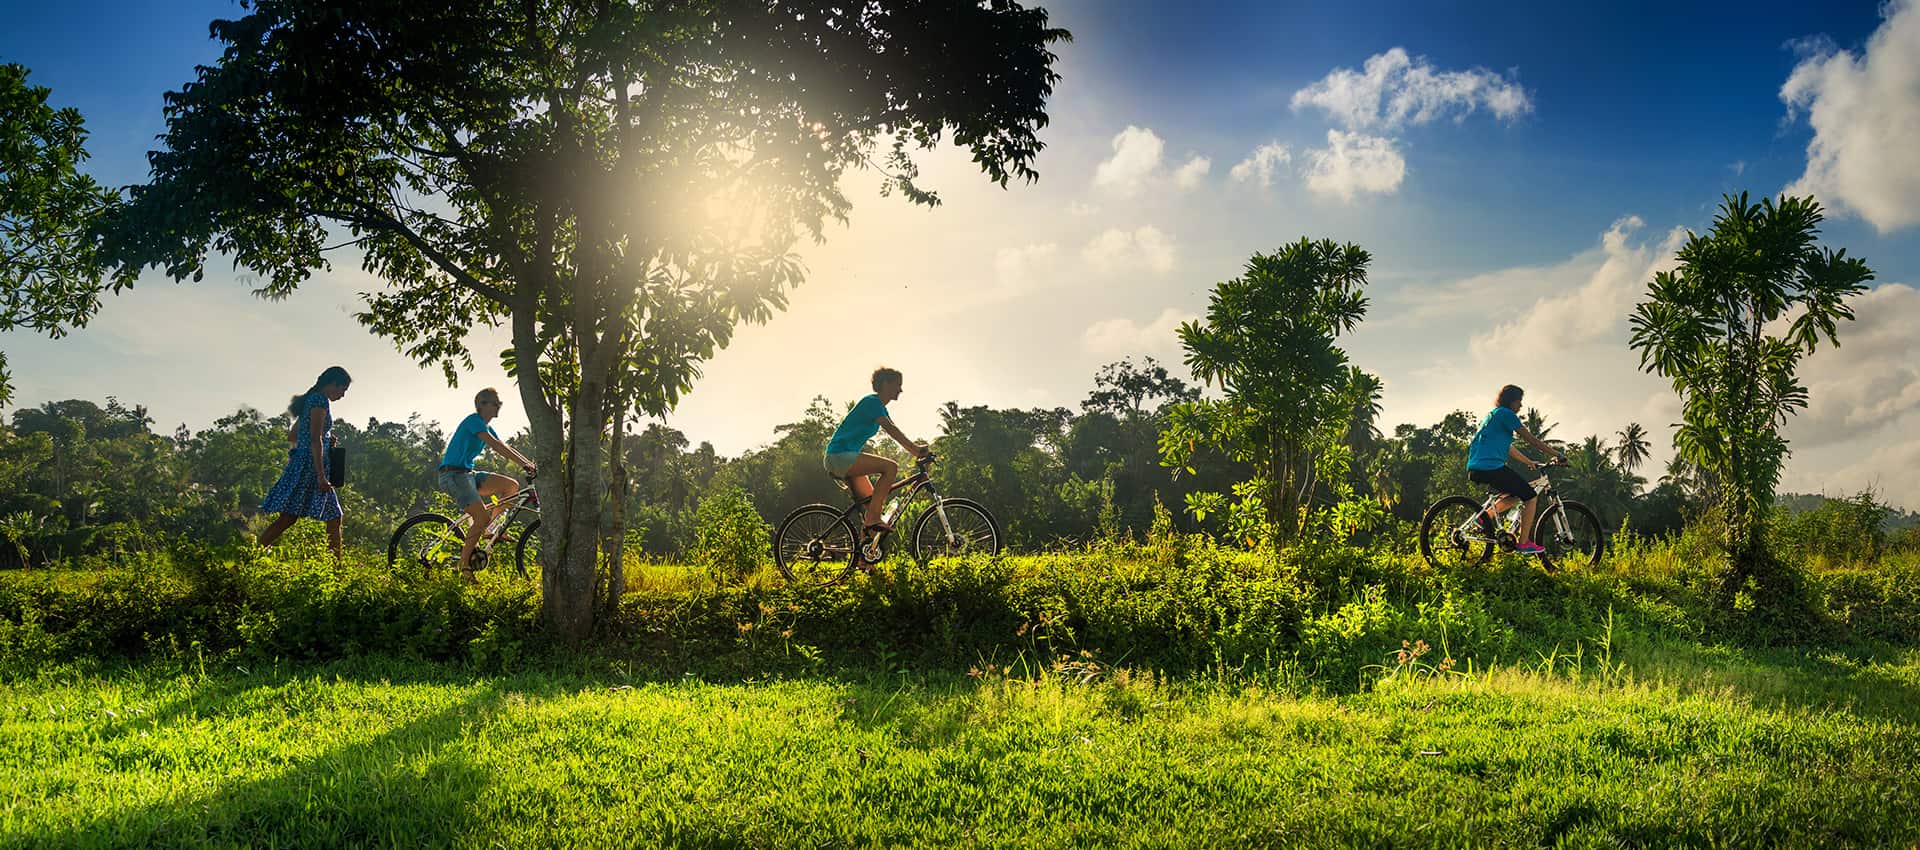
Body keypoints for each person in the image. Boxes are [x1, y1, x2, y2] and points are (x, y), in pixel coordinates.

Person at [823, 367, 930, 551]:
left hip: (844, 458)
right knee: (891, 467)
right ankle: (872, 519)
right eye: (898, 385)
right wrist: (916, 450)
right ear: (885, 384)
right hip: (838, 456)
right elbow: (892, 431)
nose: (900, 390)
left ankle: (864, 560)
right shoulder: (871, 402)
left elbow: (894, 428)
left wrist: (916, 450)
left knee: (874, 508)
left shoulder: (879, 407)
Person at [438, 387, 538, 579]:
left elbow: (506, 446)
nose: (499, 406)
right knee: (481, 517)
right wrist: (524, 464)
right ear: (482, 404)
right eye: (495, 403)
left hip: (468, 474)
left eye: (499, 403)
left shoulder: (487, 427)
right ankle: (464, 566)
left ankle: (488, 529)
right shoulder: (473, 421)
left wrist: (529, 463)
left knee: (511, 486)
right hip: (453, 475)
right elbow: (496, 446)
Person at [258, 366, 351, 559]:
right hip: (311, 467)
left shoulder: (312, 399)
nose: (342, 395)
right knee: (326, 517)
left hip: (304, 463)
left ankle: (246, 558)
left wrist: (326, 439)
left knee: (290, 518)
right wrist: (321, 476)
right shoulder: (319, 400)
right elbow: (314, 438)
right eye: (342, 389)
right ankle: (337, 571)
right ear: (333, 384)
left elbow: (294, 434)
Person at [1466, 384, 1565, 555]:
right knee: (1530, 496)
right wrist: (1558, 454)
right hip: (1490, 466)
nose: (1521, 405)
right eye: (1519, 401)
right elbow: (1532, 440)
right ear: (1512, 401)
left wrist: (1529, 462)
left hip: (1477, 467)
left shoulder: (1493, 415)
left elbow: (1508, 448)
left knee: (1515, 495)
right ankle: (1523, 543)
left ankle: (1483, 518)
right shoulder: (1507, 414)